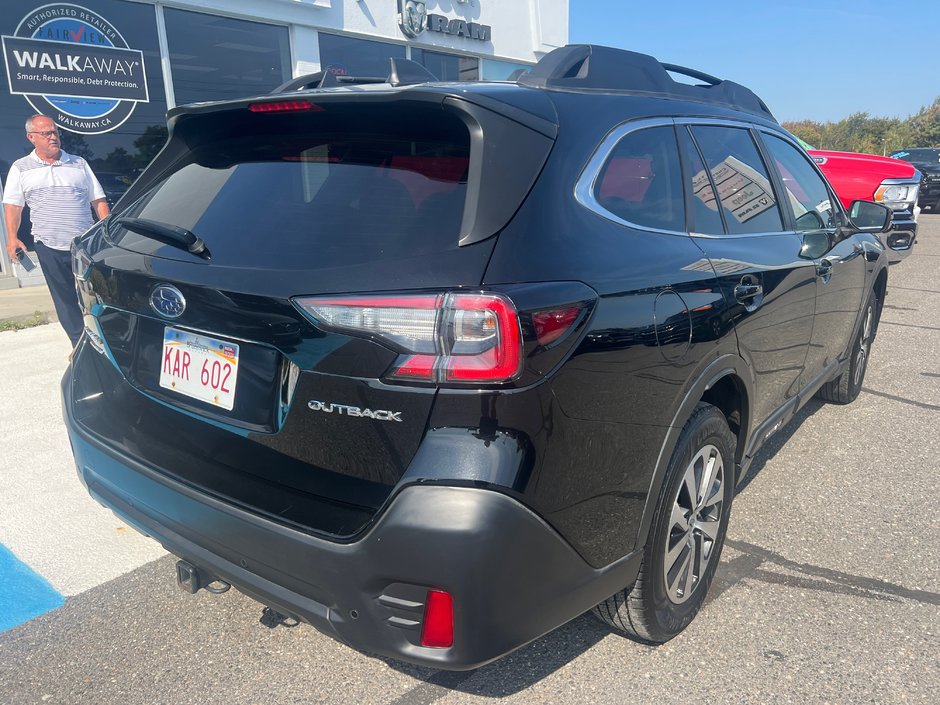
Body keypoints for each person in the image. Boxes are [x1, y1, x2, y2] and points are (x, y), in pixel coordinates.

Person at [3, 114, 109, 347]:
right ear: (31, 137)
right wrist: (12, 238)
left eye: (55, 132)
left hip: (84, 245)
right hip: (48, 245)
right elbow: (13, 206)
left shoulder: (79, 163)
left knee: (96, 295)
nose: (53, 137)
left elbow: (98, 200)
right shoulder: (21, 168)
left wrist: (107, 234)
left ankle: (105, 339)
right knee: (65, 300)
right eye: (46, 133)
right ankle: (80, 345)